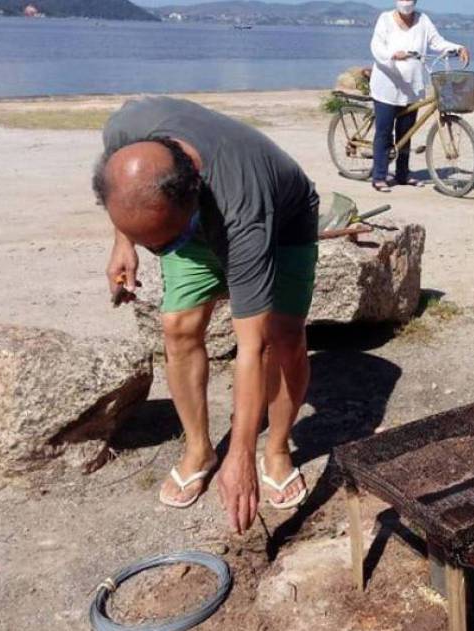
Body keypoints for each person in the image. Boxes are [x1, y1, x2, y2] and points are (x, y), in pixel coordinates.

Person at [93, 96, 319, 535]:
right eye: (151, 247)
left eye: (161, 245)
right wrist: (124, 242)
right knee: (177, 327)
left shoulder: (245, 209)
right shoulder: (126, 133)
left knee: (283, 336)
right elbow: (121, 192)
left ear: (192, 193)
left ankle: (274, 450)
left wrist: (242, 455)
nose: (155, 255)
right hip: (180, 220)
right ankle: (199, 449)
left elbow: (253, 347)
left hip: (283, 224)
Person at [368, 0, 469, 192]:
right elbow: (376, 46)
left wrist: (458, 47)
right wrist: (392, 55)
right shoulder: (385, 20)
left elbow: (437, 42)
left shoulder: (423, 20)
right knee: (384, 131)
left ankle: (402, 173)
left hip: (411, 87)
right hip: (387, 85)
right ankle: (379, 175)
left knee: (407, 132)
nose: (406, 3)